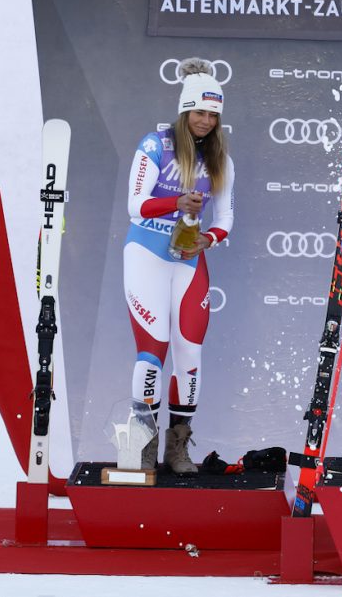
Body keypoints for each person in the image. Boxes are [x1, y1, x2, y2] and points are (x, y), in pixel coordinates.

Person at [123, 58, 235, 474]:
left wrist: (210, 238)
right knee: (152, 352)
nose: (205, 121)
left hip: (188, 259)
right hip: (147, 254)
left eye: (213, 114)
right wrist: (176, 202)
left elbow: (224, 218)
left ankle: (177, 448)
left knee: (189, 352)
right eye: (199, 112)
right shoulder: (154, 145)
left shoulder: (221, 158)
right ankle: (143, 446)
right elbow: (135, 206)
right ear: (185, 110)